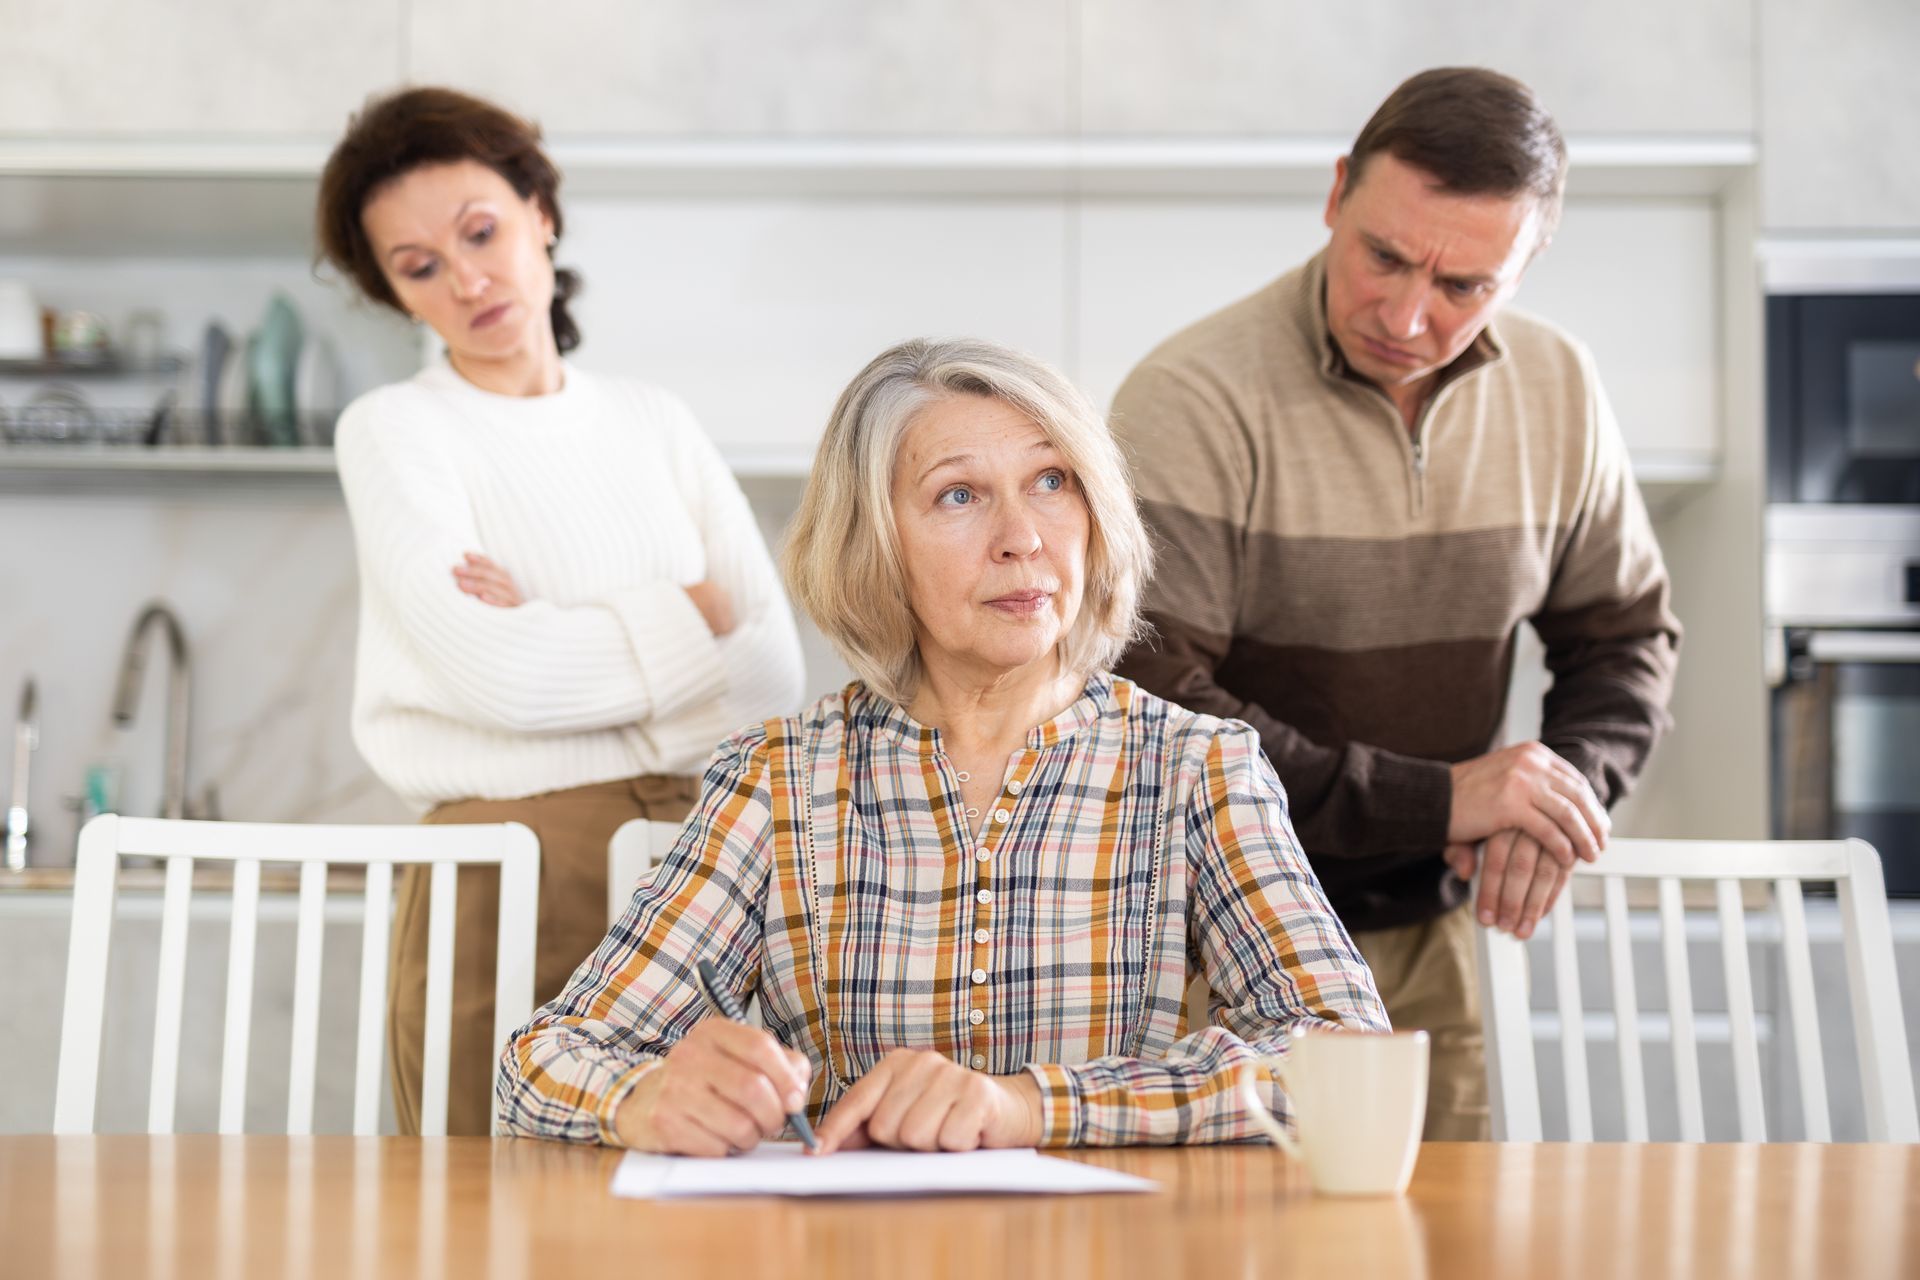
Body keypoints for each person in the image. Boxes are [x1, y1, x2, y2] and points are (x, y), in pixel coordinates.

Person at [496, 338, 1389, 1152]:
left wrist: (1031, 1107)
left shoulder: (1197, 766)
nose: (1023, 538)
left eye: (1052, 482)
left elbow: (1347, 1056)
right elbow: (543, 1061)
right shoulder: (777, 777)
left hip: (1104, 1246)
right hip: (849, 1248)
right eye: (958, 496)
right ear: (873, 545)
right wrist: (645, 1096)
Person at [1111, 67, 1681, 1140]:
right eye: (1384, 256)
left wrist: (1553, 801)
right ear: (1336, 195)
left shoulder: (1560, 389)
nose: (1408, 316)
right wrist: (1442, 800)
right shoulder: (1192, 396)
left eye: (1464, 285)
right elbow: (1158, 706)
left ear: (1525, 266)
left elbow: (1626, 637)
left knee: (1441, 1226)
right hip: (1209, 948)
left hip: (1434, 940)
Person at [317, 87, 805, 1135]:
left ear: (540, 214)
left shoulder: (656, 421)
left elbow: (771, 672)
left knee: (698, 1184)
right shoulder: (395, 430)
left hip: (699, 862)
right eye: (419, 267)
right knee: (471, 1190)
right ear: (396, 295)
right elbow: (504, 675)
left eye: (480, 232)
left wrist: (556, 616)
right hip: (510, 865)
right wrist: (687, 612)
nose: (467, 280)